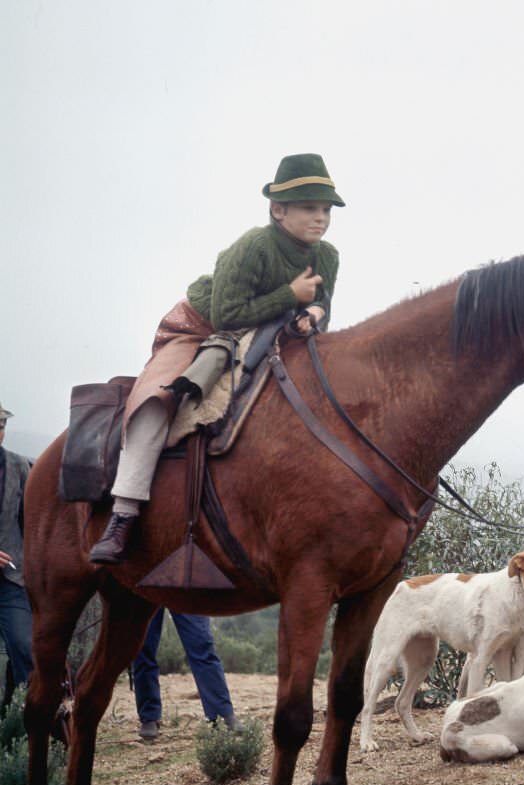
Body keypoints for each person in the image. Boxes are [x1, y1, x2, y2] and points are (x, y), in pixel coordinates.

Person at [89, 153, 345, 564]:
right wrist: (290, 297)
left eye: (326, 209)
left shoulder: (328, 256)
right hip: (203, 327)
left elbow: (324, 304)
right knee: (157, 401)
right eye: (309, 208)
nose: (321, 218)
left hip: (272, 332)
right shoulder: (252, 246)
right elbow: (228, 315)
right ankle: (122, 515)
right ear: (278, 210)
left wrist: (314, 313)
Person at [132, 609, 238, 740]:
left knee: (201, 643)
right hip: (145, 589)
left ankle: (221, 715)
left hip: (185, 588)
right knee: (143, 646)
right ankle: (149, 718)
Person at [0, 401, 33, 707]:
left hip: (12, 579)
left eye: (1, 426)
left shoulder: (20, 466)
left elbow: (30, 522)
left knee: (25, 648)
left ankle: (28, 725)